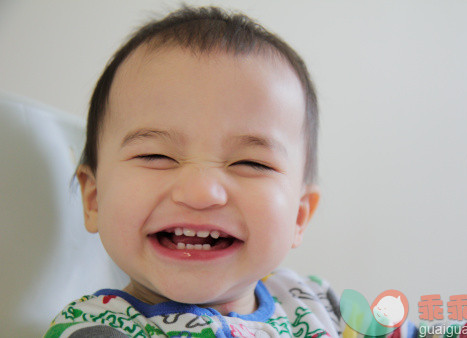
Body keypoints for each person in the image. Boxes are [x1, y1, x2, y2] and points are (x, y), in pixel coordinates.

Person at [45, 5, 340, 337]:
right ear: (94, 199)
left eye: (251, 162)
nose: (201, 192)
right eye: (156, 155)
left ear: (299, 216)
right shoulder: (96, 329)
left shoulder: (317, 303)